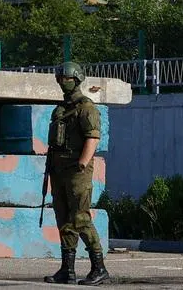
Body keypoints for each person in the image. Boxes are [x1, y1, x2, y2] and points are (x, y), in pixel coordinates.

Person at [43, 61, 108, 285]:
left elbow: (93, 137)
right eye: (60, 78)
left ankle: (99, 268)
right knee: (63, 218)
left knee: (80, 218)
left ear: (77, 79)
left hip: (76, 171)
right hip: (59, 170)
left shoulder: (86, 107)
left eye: (67, 78)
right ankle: (67, 270)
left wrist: (82, 163)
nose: (62, 82)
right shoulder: (61, 109)